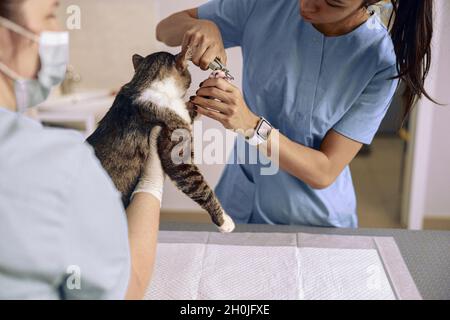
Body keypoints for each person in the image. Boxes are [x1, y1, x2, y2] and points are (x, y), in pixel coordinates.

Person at [157, 0, 435, 228]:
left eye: (331, 3)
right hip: (238, 203)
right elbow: (165, 29)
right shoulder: (267, 5)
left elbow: (324, 171)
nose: (307, 6)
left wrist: (250, 125)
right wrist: (203, 26)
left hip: (313, 220)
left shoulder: (378, 62)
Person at [0, 0, 164, 299]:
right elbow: (127, 288)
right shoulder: (60, 167)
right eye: (50, 14)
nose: (59, 29)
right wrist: (152, 184)